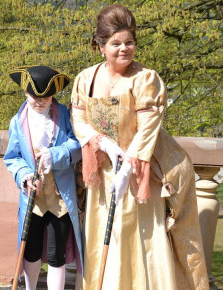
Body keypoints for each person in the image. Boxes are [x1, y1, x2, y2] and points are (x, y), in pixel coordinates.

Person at [69, 4, 208, 290]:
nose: (124, 49)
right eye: (116, 43)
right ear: (100, 46)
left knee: (135, 234)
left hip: (140, 171)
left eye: (129, 42)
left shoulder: (146, 79)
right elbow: (79, 117)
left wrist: (127, 167)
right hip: (102, 171)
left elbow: (148, 129)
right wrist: (105, 145)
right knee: (104, 235)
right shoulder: (86, 78)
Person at [3, 66, 83, 290]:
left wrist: (53, 155)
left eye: (45, 97)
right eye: (34, 97)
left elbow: (76, 146)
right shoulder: (16, 122)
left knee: (56, 254)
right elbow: (13, 157)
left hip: (59, 199)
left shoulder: (65, 116)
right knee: (31, 251)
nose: (40, 102)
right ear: (25, 94)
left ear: (53, 96)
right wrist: (24, 175)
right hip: (33, 198)